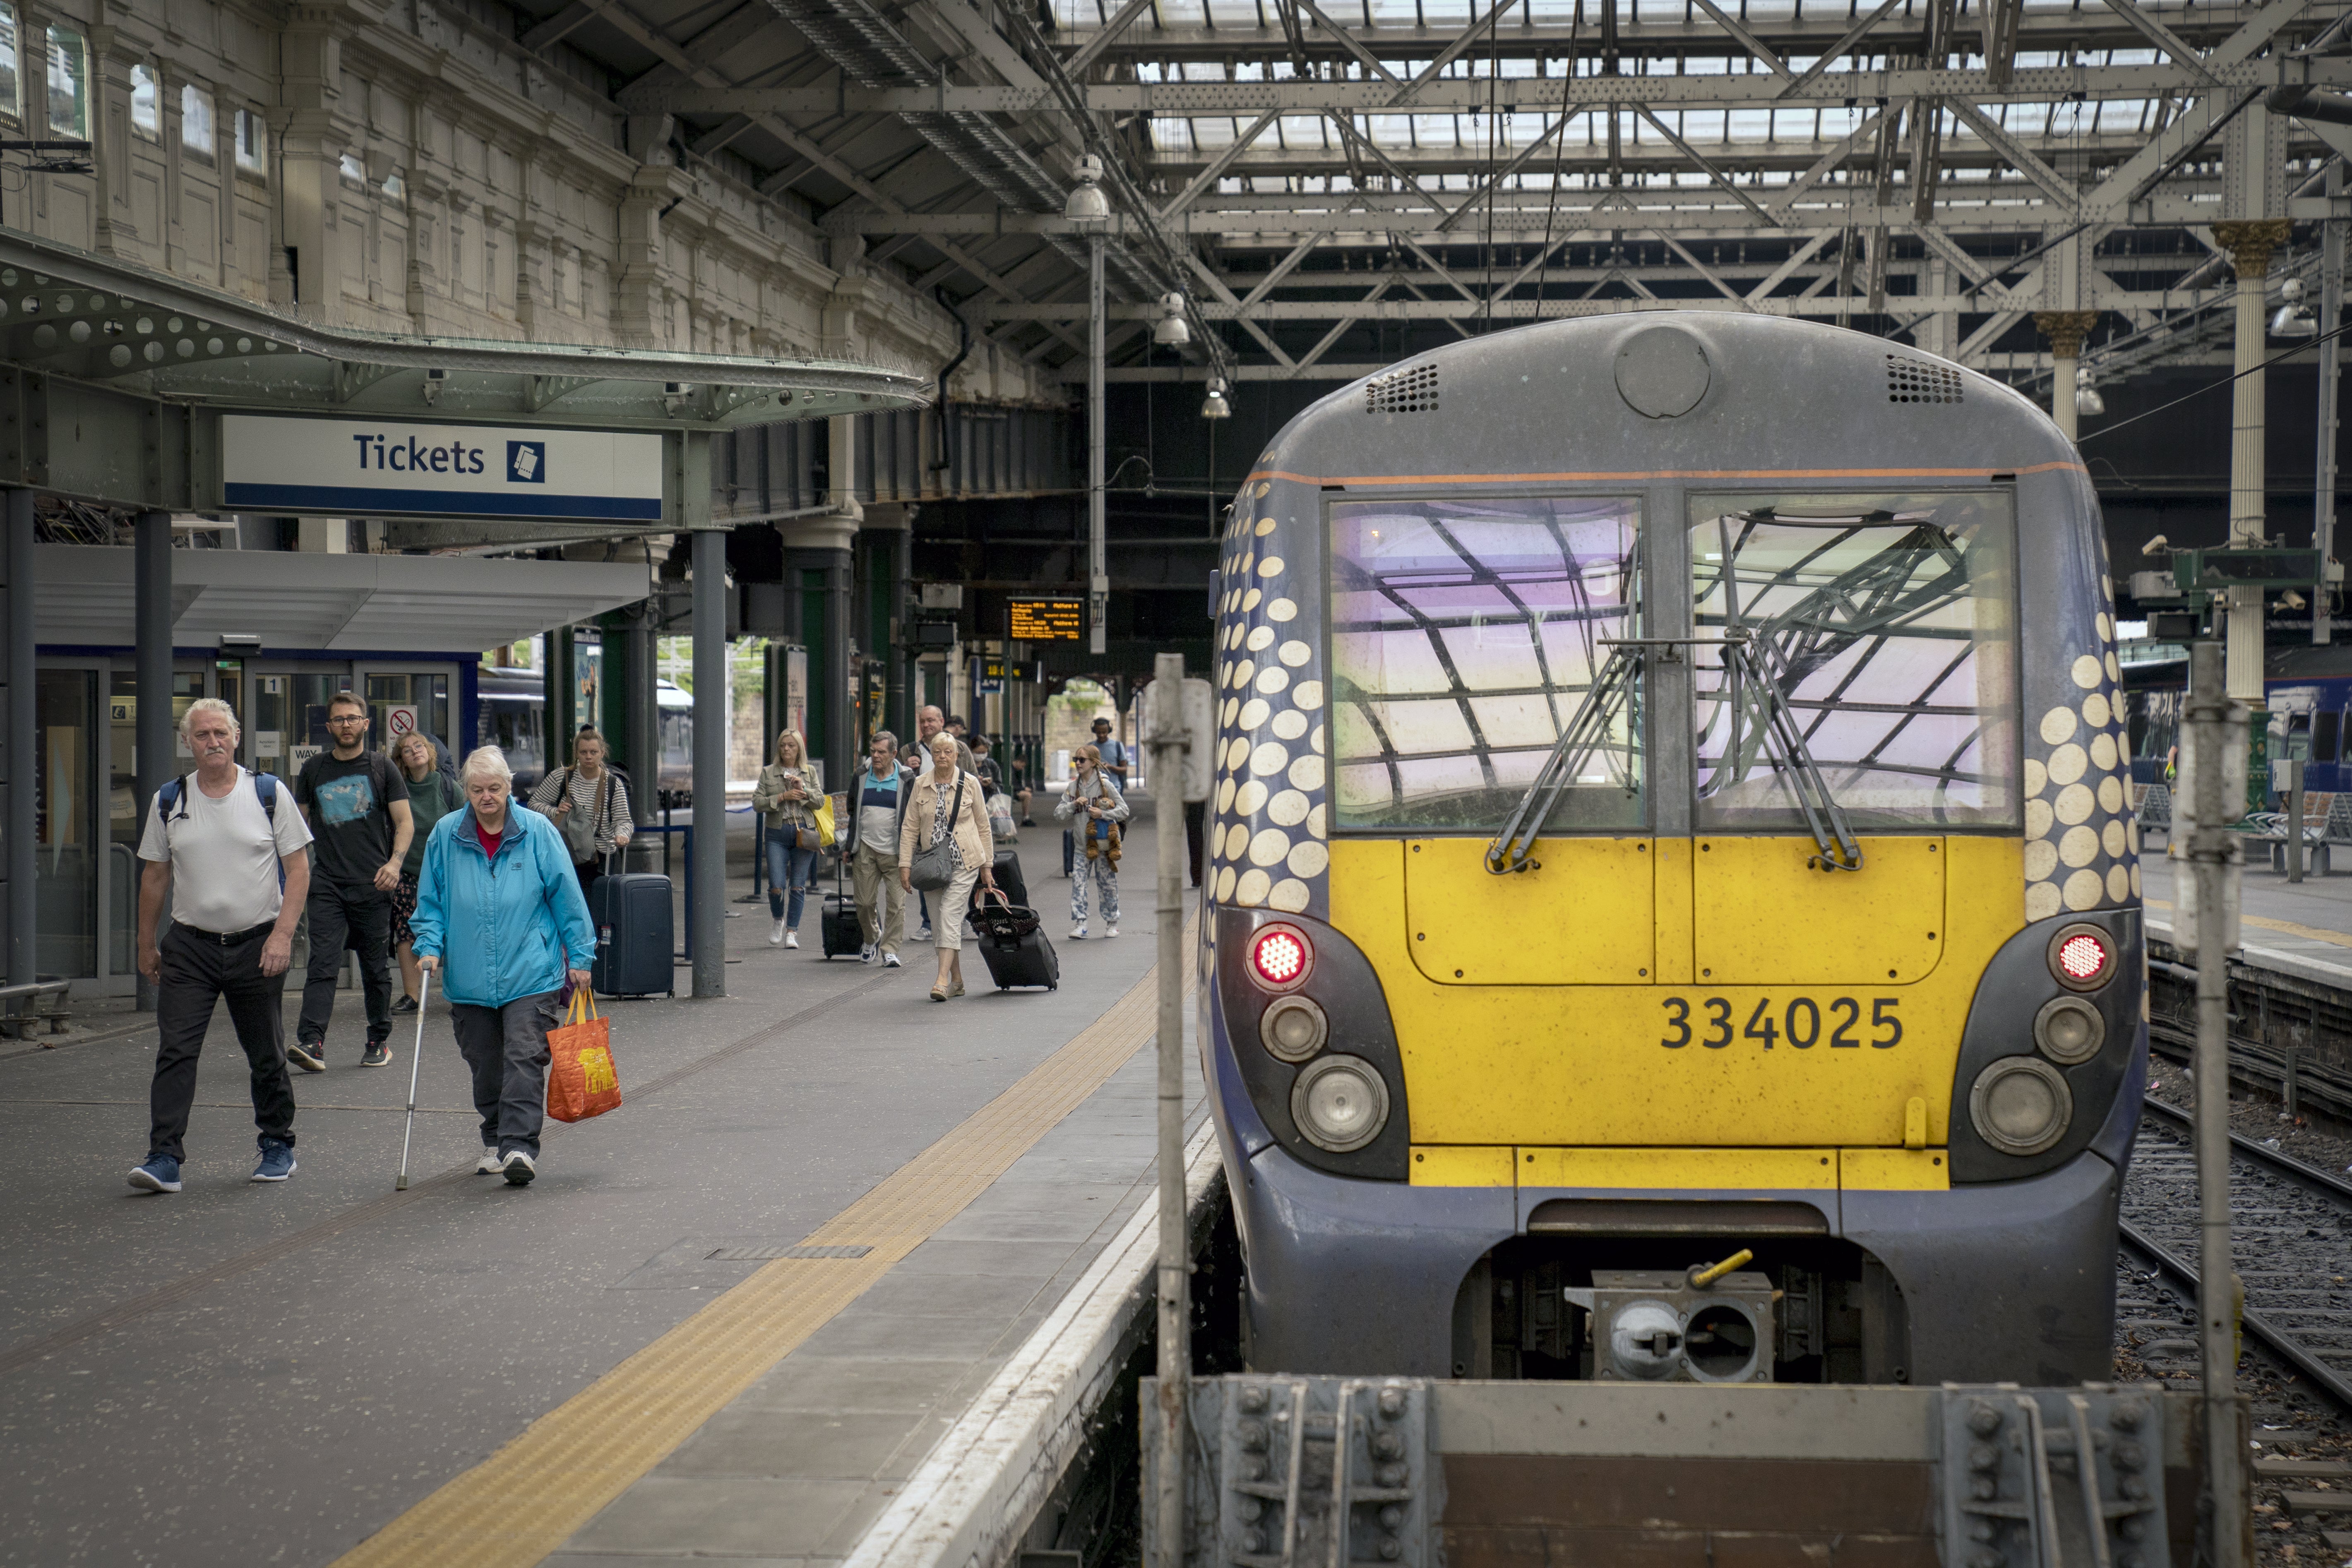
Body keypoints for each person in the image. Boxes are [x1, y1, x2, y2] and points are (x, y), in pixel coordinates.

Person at [128, 698, 315, 1192]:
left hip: (258, 943)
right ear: (187, 743)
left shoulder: (268, 793)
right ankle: (163, 1158)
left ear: (236, 737)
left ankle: (277, 1145)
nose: (212, 742)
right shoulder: (170, 799)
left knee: (265, 1052)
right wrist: (146, 945)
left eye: (220, 733)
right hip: (190, 947)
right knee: (176, 1050)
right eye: (202, 735)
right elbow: (154, 876)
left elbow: (298, 870)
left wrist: (282, 935)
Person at [411, 747, 596, 1187]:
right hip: (470, 976)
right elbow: (431, 900)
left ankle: (518, 1147)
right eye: (477, 790)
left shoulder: (536, 832)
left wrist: (581, 956)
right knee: (485, 1063)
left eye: (494, 788)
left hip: (531, 969)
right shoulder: (445, 835)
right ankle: (495, 1139)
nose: (486, 797)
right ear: (467, 791)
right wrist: (429, 945)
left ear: (509, 788)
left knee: (523, 1055)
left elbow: (567, 896)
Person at [291, 691, 412, 1072]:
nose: (346, 724)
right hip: (327, 882)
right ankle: (312, 1041)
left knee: (374, 969)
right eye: (339, 719)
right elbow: (298, 826)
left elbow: (405, 823)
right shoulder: (313, 770)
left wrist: (395, 863)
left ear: (365, 723)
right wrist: (298, 870)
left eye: (352, 718)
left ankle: (378, 1040)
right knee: (322, 963)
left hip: (374, 884)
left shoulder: (381, 768)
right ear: (328, 726)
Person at [900, 736, 997, 1001]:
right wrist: (904, 865)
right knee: (940, 924)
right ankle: (957, 980)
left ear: (956, 755)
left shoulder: (971, 784)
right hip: (932, 864)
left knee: (949, 917)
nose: (942, 756)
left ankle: (941, 980)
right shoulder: (921, 784)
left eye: (948, 752)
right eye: (938, 752)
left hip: (965, 862)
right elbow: (910, 827)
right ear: (932, 756)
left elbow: (983, 826)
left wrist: (987, 867)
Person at [390, 732, 461, 1014]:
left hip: (447, 874)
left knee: (455, 932)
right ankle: (412, 995)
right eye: (407, 750)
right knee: (407, 933)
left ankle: (461, 992)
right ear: (402, 760)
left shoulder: (448, 787)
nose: (414, 751)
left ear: (430, 751)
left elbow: (465, 826)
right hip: (409, 873)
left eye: (418, 746)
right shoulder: (398, 791)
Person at [530, 727, 634, 905]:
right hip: (566, 853)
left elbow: (623, 820)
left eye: (594, 752)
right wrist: (555, 811)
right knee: (567, 905)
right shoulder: (561, 777)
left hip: (600, 858)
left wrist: (622, 834)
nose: (588, 757)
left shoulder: (613, 784)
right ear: (576, 754)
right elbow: (534, 804)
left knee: (599, 908)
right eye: (583, 752)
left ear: (602, 753)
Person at [752, 728, 823, 948]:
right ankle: (778, 919)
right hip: (777, 834)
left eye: (791, 746)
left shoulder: (809, 772)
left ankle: (792, 932)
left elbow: (820, 802)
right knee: (776, 885)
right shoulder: (769, 773)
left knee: (798, 887)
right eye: (783, 745)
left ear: (799, 748)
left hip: (805, 834)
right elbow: (757, 803)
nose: (786, 749)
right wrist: (782, 796)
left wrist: (804, 792)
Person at [909, 707, 975, 938]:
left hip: (958, 827)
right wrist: (908, 768)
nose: (926, 725)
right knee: (929, 872)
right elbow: (901, 785)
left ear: (941, 721)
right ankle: (929, 924)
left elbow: (973, 786)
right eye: (922, 721)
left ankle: (955, 920)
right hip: (927, 823)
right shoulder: (911, 750)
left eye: (931, 721)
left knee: (955, 880)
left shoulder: (962, 749)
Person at [1056, 743, 1130, 940]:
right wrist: (1073, 805)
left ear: (1094, 762)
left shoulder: (1106, 786)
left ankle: (1112, 922)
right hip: (1081, 846)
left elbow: (1124, 810)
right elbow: (1059, 814)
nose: (1078, 763)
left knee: (1107, 884)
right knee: (1078, 884)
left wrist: (1104, 814)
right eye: (1076, 760)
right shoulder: (1073, 787)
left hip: (1104, 845)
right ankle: (1081, 924)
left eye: (1082, 760)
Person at [852, 732, 914, 967]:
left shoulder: (907, 779)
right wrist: (851, 844)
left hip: (896, 852)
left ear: (894, 754)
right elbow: (852, 808)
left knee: (897, 904)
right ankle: (872, 937)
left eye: (882, 752)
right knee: (865, 903)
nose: (876, 756)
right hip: (866, 848)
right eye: (873, 751)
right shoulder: (861, 776)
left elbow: (913, 815)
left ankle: (890, 950)